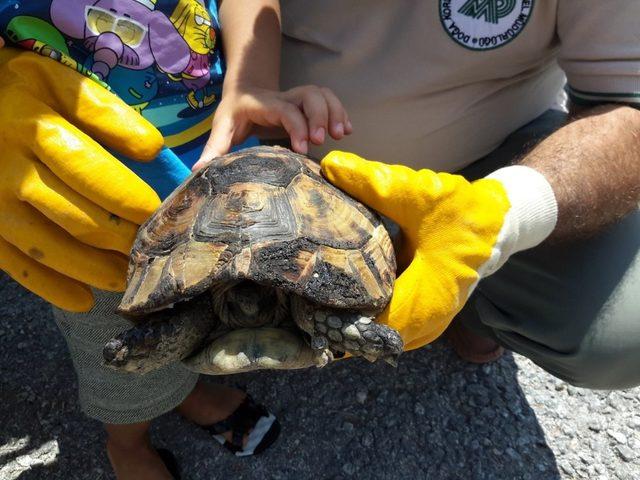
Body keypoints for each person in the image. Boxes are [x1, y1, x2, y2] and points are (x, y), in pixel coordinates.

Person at [0, 1, 349, 478]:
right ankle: (127, 440)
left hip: (227, 181)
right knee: (123, 352)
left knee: (207, 326)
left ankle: (190, 388)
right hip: (90, 217)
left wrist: (253, 82)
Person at [267, 0, 640, 389]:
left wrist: (501, 214)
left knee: (620, 331)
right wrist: (249, 84)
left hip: (487, 160)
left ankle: (474, 299)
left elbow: (628, 109)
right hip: (293, 165)